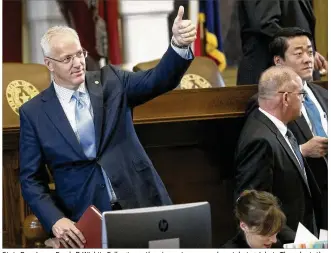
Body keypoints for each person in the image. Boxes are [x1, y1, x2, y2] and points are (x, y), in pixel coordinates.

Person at [19, 6, 196, 248]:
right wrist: (56, 220)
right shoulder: (34, 113)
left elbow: (158, 80)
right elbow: (30, 179)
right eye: (67, 59)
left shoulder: (111, 81)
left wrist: (178, 44)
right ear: (49, 64)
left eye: (79, 53)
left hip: (139, 203)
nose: (78, 63)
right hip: (85, 220)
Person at [246, 27, 328, 230]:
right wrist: (302, 151)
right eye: (298, 54)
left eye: (310, 52)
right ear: (279, 61)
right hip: (306, 209)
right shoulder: (267, 103)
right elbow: (266, 154)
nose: (308, 59)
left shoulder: (323, 94)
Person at [234, 66, 322, 244]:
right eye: (301, 94)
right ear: (286, 98)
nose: (304, 100)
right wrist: (301, 243)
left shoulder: (278, 127)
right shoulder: (260, 141)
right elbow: (256, 210)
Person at [236, 0, 328, 85]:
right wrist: (303, 48)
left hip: (297, 81)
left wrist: (310, 51)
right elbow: (265, 23)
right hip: (270, 78)